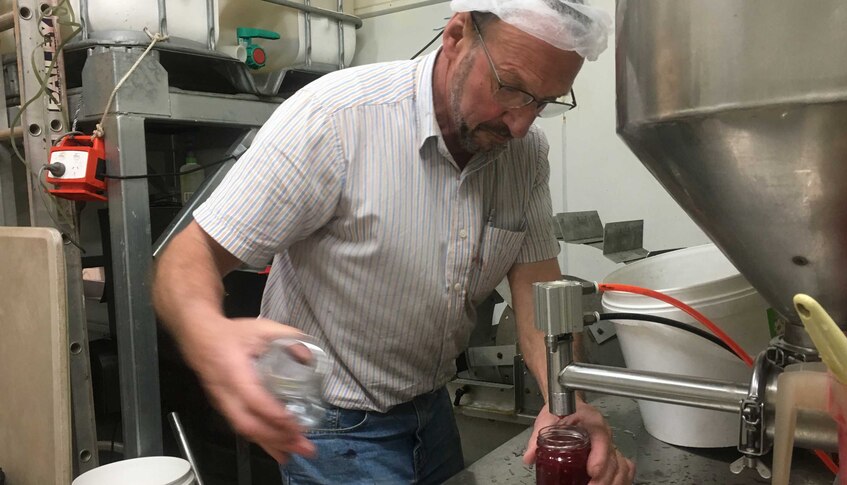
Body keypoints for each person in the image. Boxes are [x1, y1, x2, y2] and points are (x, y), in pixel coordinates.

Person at [152, 0, 635, 483]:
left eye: (544, 101)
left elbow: (537, 294)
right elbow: (188, 256)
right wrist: (208, 337)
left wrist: (564, 402)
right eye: (510, 88)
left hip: (431, 411)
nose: (521, 122)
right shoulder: (336, 119)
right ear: (456, 36)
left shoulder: (525, 154)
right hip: (333, 425)